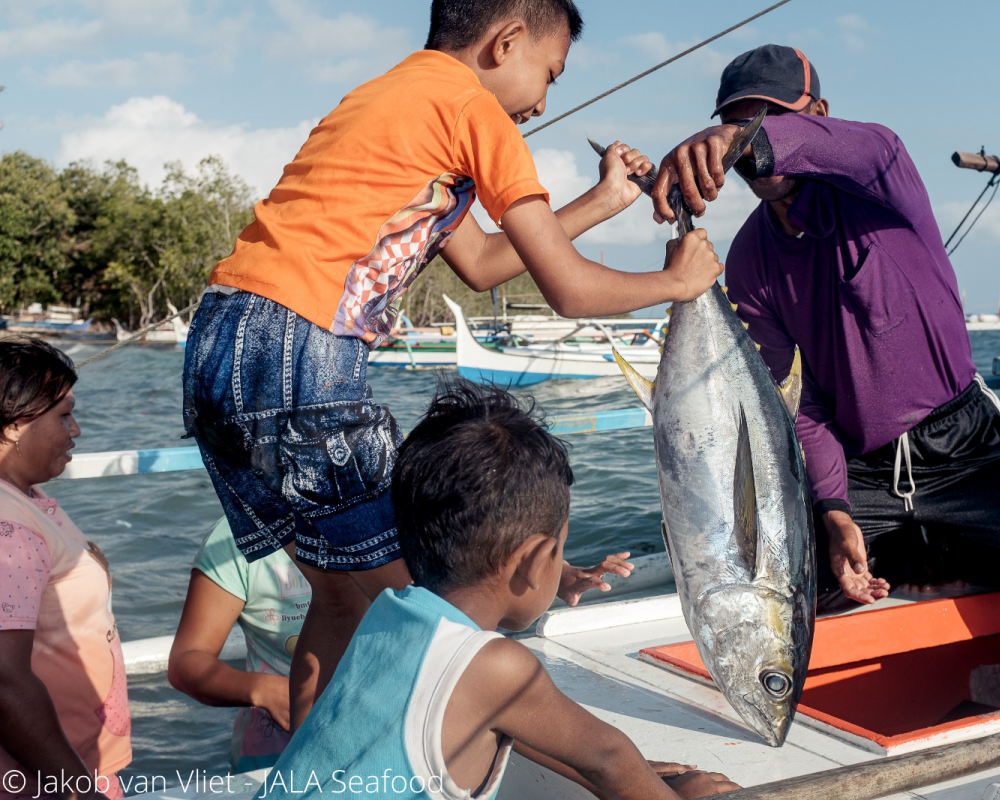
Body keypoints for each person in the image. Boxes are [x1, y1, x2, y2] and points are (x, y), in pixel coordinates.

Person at [183, 0, 724, 728]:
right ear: (506, 43)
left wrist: (601, 201)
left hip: (224, 340)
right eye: (551, 75)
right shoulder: (475, 111)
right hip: (299, 347)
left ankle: (318, 770)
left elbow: (480, 261)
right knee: (429, 597)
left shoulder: (399, 101)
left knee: (344, 595)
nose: (543, 99)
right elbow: (567, 289)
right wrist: (675, 284)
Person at [651, 45, 1000, 611]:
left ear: (820, 113)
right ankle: (910, 543)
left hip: (967, 448)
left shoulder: (882, 177)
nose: (748, 139)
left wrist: (749, 140)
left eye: (769, 117)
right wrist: (833, 507)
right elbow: (802, 406)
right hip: (865, 472)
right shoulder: (749, 260)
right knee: (787, 601)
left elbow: (870, 145)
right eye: (735, 122)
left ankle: (943, 541)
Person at [261, 380, 738, 800]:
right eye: (559, 551)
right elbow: (607, 757)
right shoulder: (496, 666)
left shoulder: (388, 616)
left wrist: (627, 776)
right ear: (535, 562)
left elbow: (523, 725)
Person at [167, 518, 638, 772]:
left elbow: (467, 572)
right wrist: (262, 690)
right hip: (272, 756)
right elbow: (187, 663)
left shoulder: (375, 528)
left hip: (386, 736)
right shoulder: (236, 545)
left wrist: (560, 576)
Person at [0, 337, 131, 800]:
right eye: (63, 415)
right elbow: (5, 680)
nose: (75, 430)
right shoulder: (9, 525)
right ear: (15, 426)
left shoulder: (27, 501)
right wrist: (77, 789)